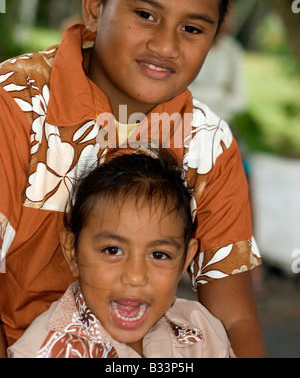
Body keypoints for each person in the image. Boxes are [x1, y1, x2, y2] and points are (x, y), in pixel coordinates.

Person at [0, 0, 266, 357]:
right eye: (145, 14)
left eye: (192, 29)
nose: (165, 46)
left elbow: (235, 318)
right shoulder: (15, 107)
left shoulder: (206, 143)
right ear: (95, 4)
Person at [7, 152, 234, 358]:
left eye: (159, 254)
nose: (135, 276)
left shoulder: (200, 332)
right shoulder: (44, 351)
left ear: (184, 261)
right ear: (72, 251)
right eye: (112, 250)